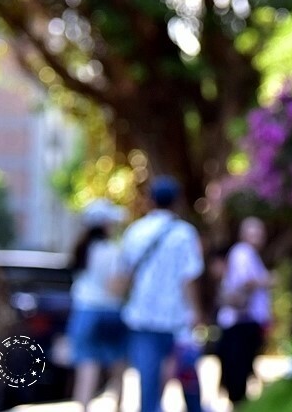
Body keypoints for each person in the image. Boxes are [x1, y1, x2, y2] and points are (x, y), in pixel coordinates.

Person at [118, 175, 204, 412]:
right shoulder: (184, 234)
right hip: (176, 317)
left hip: (142, 315)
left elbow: (125, 274)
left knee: (149, 381)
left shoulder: (136, 231)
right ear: (177, 202)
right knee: (188, 376)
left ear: (150, 200)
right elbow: (189, 277)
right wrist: (195, 311)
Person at [67, 198, 129, 412]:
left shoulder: (80, 249)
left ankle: (84, 407)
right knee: (118, 365)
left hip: (84, 312)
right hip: (110, 312)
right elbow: (115, 288)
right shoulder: (113, 251)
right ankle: (118, 407)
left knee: (87, 365)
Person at [216, 217, 273, 404]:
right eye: (253, 233)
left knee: (242, 370)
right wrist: (268, 280)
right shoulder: (242, 253)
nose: (257, 237)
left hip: (246, 323)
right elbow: (245, 282)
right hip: (241, 322)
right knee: (238, 373)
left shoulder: (251, 255)